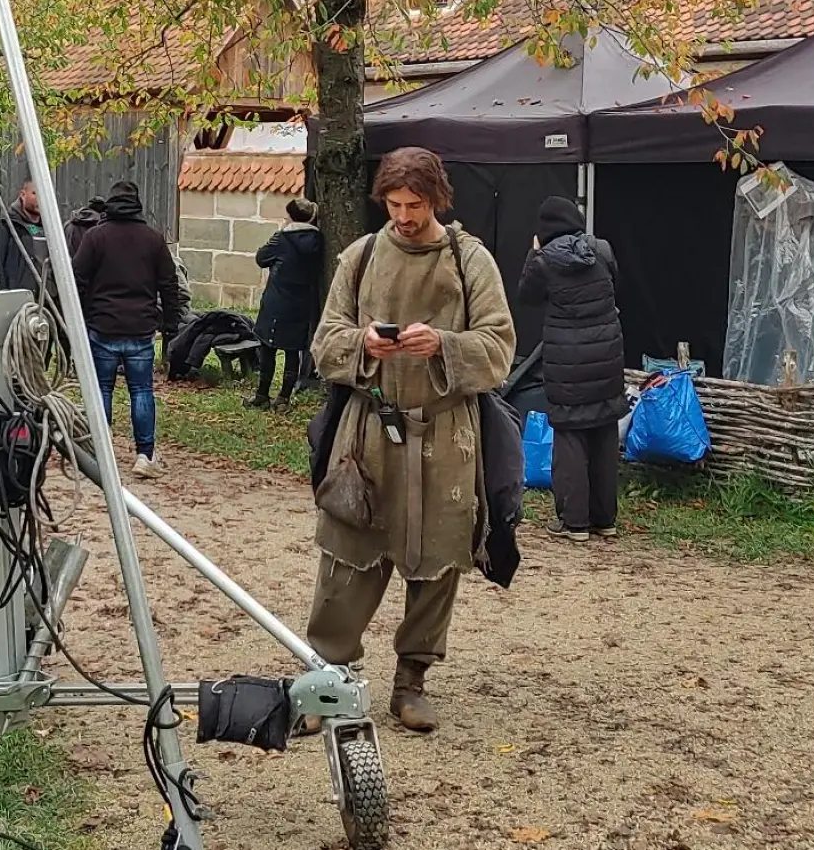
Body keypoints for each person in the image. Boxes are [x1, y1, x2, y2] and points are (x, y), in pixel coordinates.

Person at [305, 146, 516, 733]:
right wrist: (364, 345)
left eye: (415, 205)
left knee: (438, 557)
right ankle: (329, 678)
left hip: (447, 434)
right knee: (347, 550)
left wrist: (444, 345)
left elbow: (500, 348)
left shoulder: (468, 259)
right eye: (394, 204)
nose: (403, 216)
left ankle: (411, 682)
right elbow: (325, 341)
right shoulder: (361, 255)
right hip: (369, 430)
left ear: (437, 200)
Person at [518, 196, 625, 542]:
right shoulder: (603, 249)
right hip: (607, 355)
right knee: (604, 433)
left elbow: (527, 297)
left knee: (570, 437)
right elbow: (615, 284)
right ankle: (605, 520)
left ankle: (574, 522)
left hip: (566, 361)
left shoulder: (544, 262)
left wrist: (533, 253)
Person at [73, 181, 185, 477]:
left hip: (102, 326)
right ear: (137, 205)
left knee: (102, 391)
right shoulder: (153, 239)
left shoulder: (95, 237)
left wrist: (83, 316)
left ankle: (101, 452)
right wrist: (170, 323)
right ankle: (144, 456)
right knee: (141, 391)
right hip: (140, 328)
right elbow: (169, 284)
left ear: (110, 204)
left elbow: (77, 279)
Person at [245, 197, 326, 412]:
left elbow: (261, 258)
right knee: (293, 351)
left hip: (276, 299)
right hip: (301, 302)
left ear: (291, 217)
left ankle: (262, 395)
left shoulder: (282, 238)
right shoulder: (318, 241)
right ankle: (283, 398)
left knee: (267, 347)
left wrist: (279, 234)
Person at [0, 177, 46, 292]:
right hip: (19, 299)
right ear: (23, 195)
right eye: (35, 193)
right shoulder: (8, 225)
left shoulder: (49, 228)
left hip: (46, 299)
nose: (40, 199)